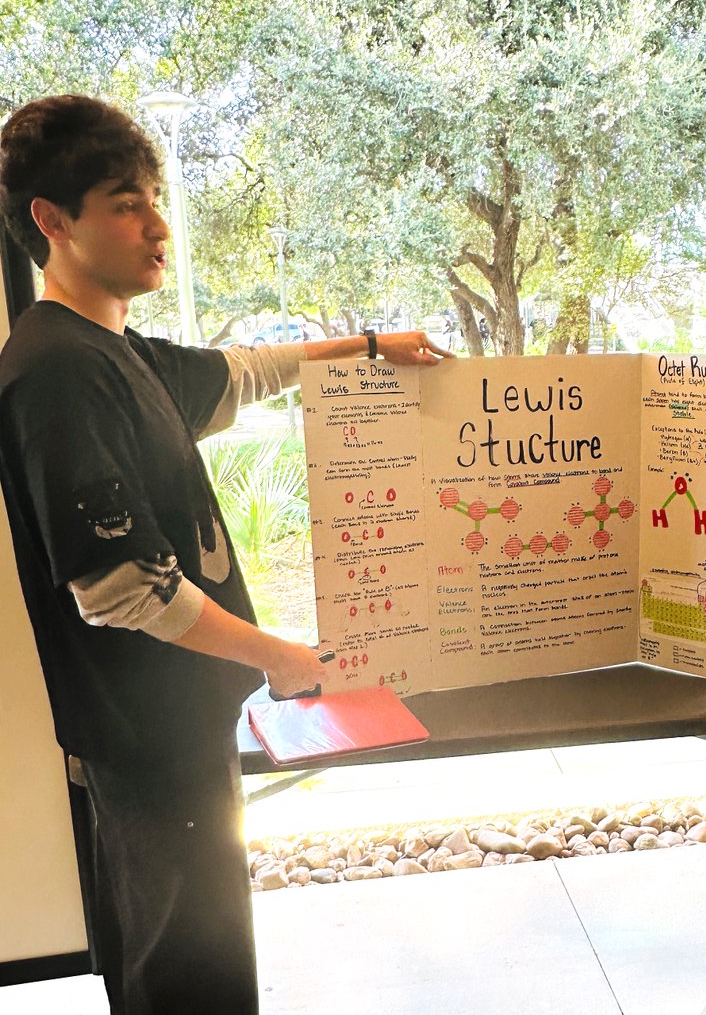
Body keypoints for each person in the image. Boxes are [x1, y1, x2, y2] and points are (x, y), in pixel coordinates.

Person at [0, 94, 452, 1015]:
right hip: (146, 739)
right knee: (187, 975)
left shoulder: (117, 351)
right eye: (126, 201)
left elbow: (244, 370)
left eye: (155, 196)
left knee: (192, 957)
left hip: (171, 729)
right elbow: (121, 588)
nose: (159, 224)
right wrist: (282, 656)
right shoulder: (56, 370)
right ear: (53, 221)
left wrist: (368, 346)